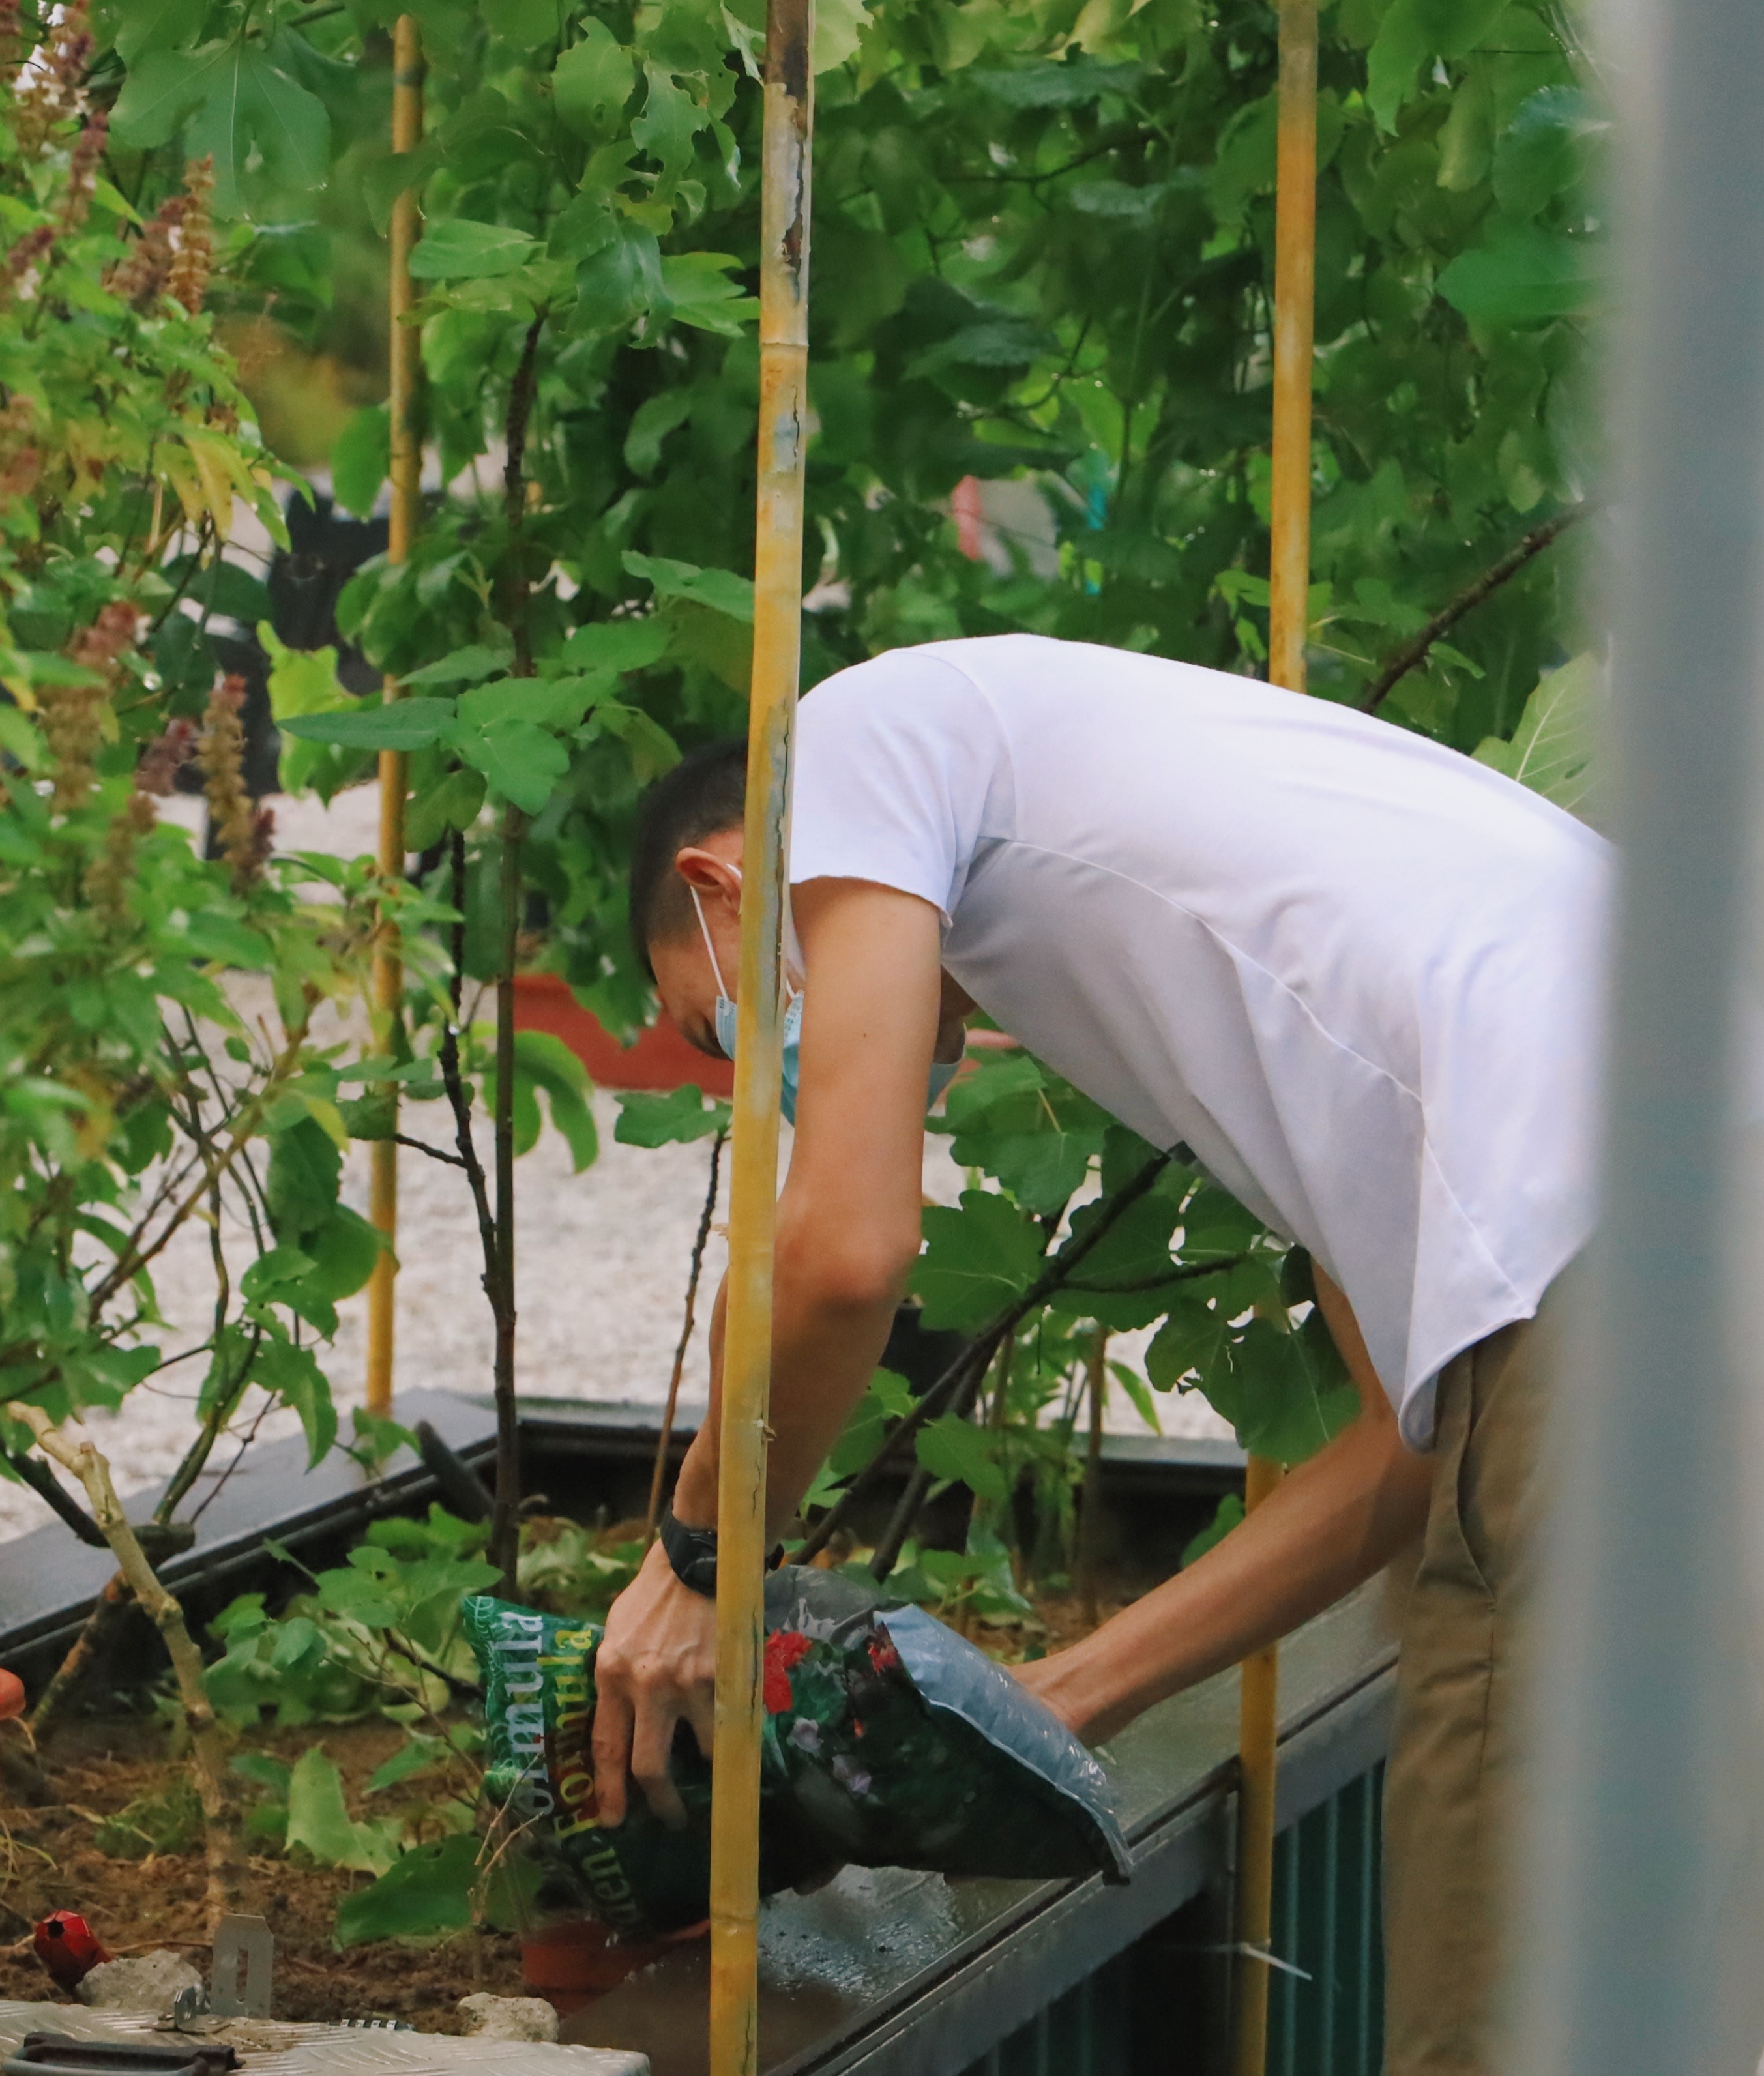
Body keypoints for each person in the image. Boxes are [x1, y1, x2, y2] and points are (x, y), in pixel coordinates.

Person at [590, 632, 1604, 2076]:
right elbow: (1399, 1455)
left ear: (720, 887)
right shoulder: (1283, 916)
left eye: (723, 1029)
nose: (760, 1069)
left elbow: (843, 1249)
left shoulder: (845, 747)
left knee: (1504, 1994)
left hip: (1617, 1272)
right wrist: (1048, 1703)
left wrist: (693, 1561)